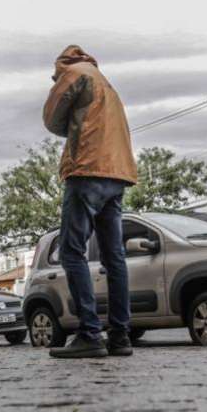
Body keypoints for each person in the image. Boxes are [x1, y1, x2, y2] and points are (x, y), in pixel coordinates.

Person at [43, 45, 138, 358]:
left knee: (71, 252)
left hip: (87, 170)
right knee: (115, 257)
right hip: (118, 174)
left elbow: (52, 119)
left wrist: (71, 119)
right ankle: (121, 336)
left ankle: (89, 334)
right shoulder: (106, 82)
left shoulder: (73, 74)